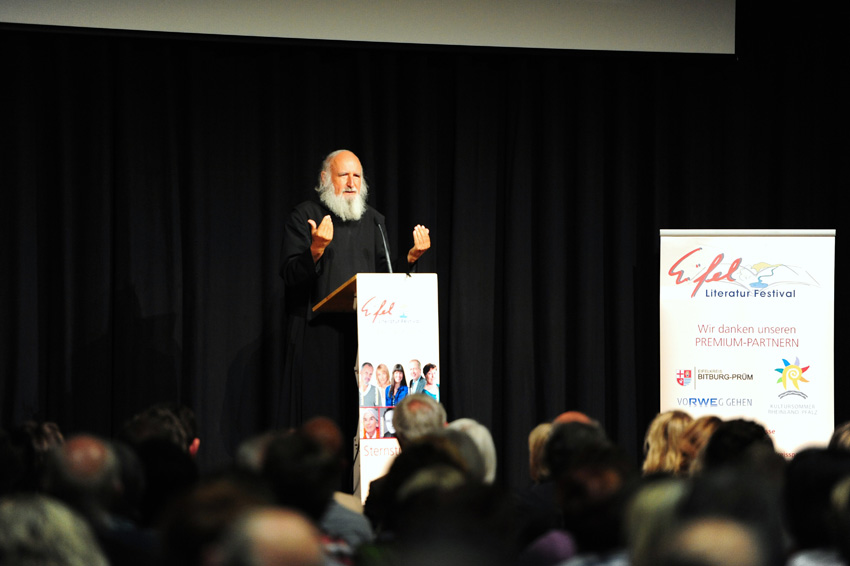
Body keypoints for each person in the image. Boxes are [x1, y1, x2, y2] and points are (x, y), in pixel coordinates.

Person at [279, 149, 430, 428]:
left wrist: (410, 258)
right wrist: (315, 250)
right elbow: (289, 274)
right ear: (325, 178)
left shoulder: (374, 220)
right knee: (321, 417)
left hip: (365, 335)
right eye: (343, 175)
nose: (351, 183)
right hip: (318, 335)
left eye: (357, 176)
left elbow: (385, 278)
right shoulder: (305, 215)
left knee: (361, 418)